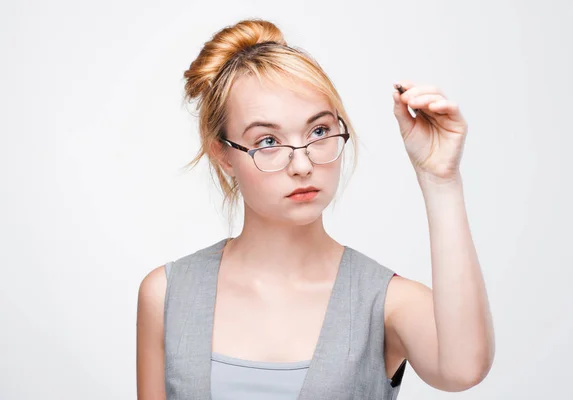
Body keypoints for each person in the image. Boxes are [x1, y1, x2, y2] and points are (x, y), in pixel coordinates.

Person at [136, 18, 495, 400]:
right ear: (223, 155)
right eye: (268, 140)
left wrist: (440, 180)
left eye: (319, 132)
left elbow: (463, 369)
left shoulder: (386, 301)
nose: (303, 164)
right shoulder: (168, 294)